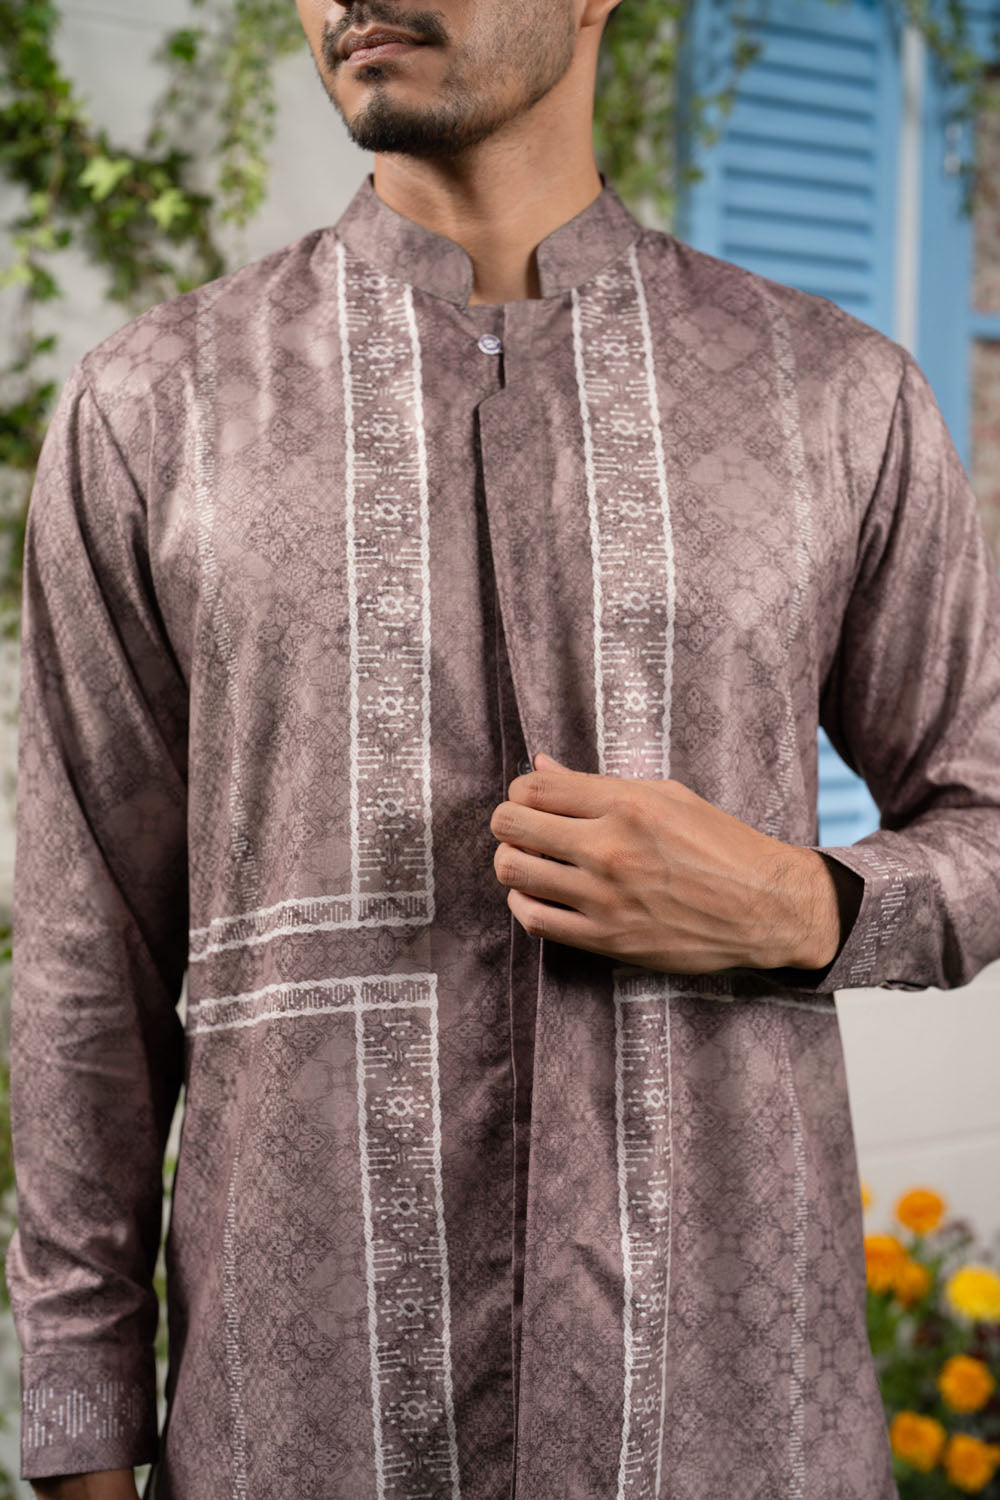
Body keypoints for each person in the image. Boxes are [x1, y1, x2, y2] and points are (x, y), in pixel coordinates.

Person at [7, 0, 1000, 1495]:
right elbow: (89, 952)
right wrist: (83, 1421)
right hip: (303, 1423)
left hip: (727, 1427)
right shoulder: (154, 411)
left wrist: (799, 906)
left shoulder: (833, 396)